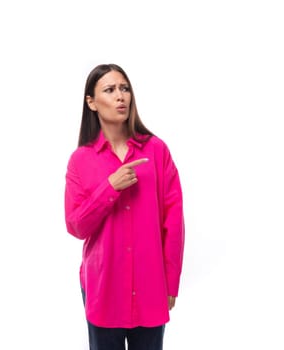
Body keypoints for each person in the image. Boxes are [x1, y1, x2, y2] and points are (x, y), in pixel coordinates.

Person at [64, 63, 185, 350]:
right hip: (102, 287)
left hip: (151, 286)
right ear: (91, 102)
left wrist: (171, 281)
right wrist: (110, 187)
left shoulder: (157, 151)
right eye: (110, 90)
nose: (121, 96)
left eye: (125, 88)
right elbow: (76, 226)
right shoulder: (80, 160)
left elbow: (174, 221)